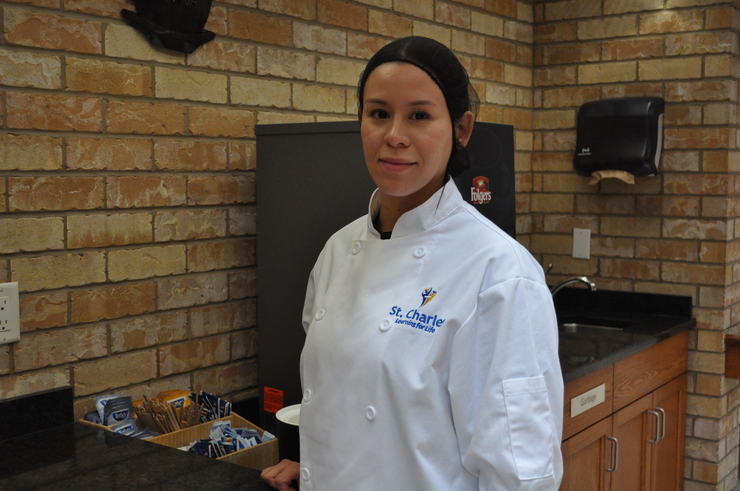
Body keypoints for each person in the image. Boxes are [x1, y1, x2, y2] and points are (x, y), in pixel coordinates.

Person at [261, 36, 563, 490]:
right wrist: (315, 465)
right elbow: (348, 397)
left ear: (462, 129)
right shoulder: (338, 251)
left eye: (419, 115)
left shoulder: (500, 274)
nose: (394, 136)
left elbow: (521, 475)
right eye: (378, 113)